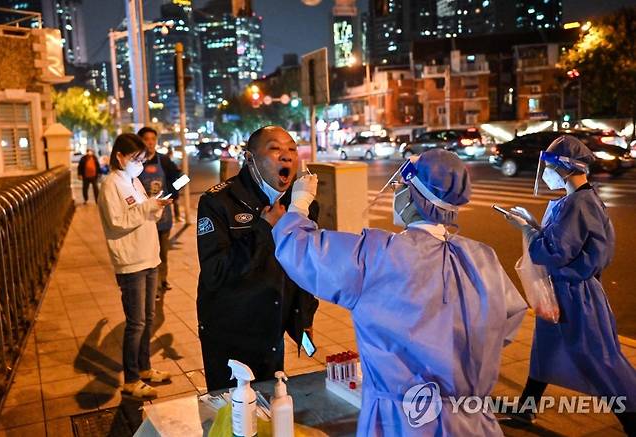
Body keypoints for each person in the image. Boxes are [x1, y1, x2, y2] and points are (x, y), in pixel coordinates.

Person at [271, 149, 528, 436]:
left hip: (402, 422)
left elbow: (300, 251)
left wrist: (299, 204)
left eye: (400, 187)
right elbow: (506, 323)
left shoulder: (377, 256)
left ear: (412, 195)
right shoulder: (482, 258)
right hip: (471, 420)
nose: (396, 193)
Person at [505, 135, 636, 434]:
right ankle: (527, 408)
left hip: (575, 296)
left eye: (550, 166)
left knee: (598, 359)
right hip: (564, 292)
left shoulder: (578, 204)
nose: (545, 173)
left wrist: (527, 231)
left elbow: (552, 252)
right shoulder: (580, 199)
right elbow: (564, 244)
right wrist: (534, 227)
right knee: (544, 351)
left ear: (565, 168)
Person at [196, 126, 319, 391]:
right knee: (233, 414)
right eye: (275, 148)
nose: (286, 157)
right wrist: (264, 229)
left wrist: (304, 318)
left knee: (271, 408)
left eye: (292, 149)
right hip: (230, 332)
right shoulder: (218, 202)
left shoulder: (301, 204)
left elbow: (304, 267)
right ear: (250, 158)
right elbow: (215, 272)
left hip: (272, 329)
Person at [97, 133, 173, 399]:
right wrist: (148, 207)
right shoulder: (111, 185)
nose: (139, 163)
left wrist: (157, 206)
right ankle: (130, 379)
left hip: (149, 257)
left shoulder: (134, 181)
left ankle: (144, 369)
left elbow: (144, 214)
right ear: (119, 156)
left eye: (142, 158)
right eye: (135, 158)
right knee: (136, 322)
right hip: (130, 262)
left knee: (148, 318)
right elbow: (118, 221)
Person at [137, 127, 183, 296]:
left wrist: (172, 193)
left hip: (163, 219)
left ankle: (162, 281)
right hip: (143, 218)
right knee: (148, 254)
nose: (150, 142)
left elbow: (183, 178)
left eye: (152, 139)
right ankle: (152, 286)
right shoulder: (136, 163)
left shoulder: (163, 161)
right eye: (146, 139)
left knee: (162, 253)